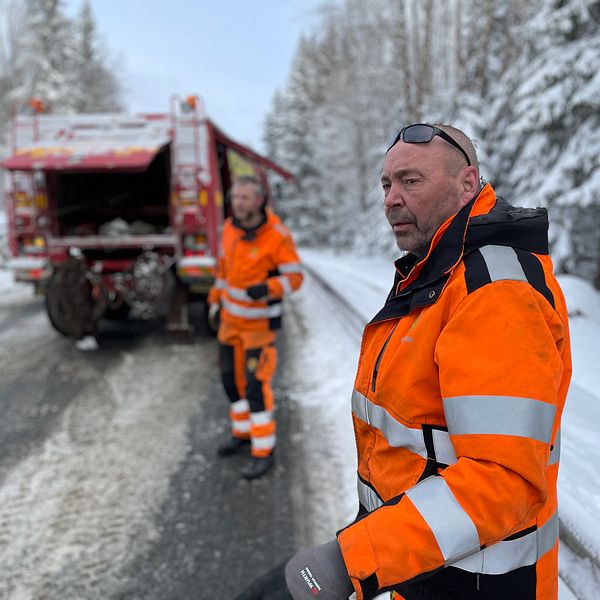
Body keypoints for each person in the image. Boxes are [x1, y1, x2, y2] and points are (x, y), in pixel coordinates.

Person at [237, 124, 571, 599]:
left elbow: (505, 481)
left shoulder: (495, 291)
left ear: (467, 183)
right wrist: (372, 531)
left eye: (411, 181)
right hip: (427, 564)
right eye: (386, 184)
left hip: (483, 582)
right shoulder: (436, 273)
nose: (391, 199)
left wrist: (345, 563)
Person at [208, 175, 304, 480]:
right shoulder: (228, 229)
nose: (238, 203)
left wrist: (269, 287)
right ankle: (243, 434)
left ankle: (264, 451)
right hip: (229, 323)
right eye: (235, 197)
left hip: (258, 327)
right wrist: (214, 300)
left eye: (245, 198)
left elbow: (295, 278)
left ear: (260, 201)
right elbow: (222, 271)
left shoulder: (277, 236)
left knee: (254, 386)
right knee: (229, 381)